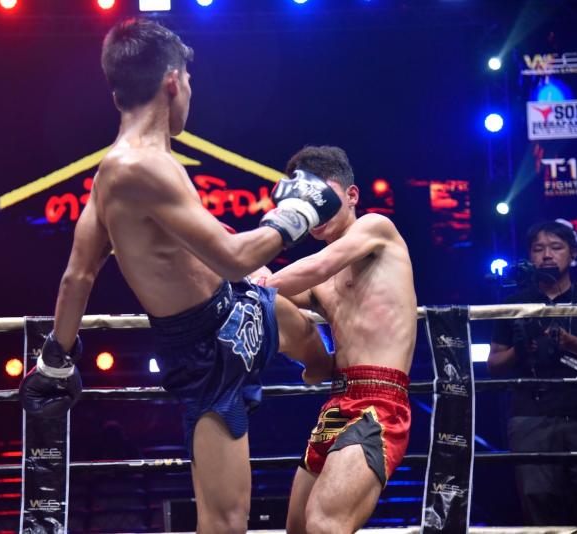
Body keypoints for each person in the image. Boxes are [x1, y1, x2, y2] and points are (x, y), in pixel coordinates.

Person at [19, 17, 341, 534]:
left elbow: (78, 276)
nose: (191, 90)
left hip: (235, 305)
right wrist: (297, 213)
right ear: (172, 81)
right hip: (205, 348)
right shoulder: (139, 168)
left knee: (306, 334)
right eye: (189, 79)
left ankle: (338, 381)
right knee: (226, 519)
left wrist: (57, 359)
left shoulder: (123, 169)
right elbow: (232, 256)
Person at [260, 145, 417, 534]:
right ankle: (314, 364)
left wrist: (260, 279)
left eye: (321, 196)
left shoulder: (377, 228)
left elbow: (317, 265)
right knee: (298, 528)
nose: (313, 208)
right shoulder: (320, 281)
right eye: (304, 199)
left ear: (351, 195)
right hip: (336, 401)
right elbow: (274, 293)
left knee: (325, 525)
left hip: (379, 402)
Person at [488, 218, 577, 526]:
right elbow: (493, 364)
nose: (547, 255)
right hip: (531, 416)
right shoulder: (513, 303)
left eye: (556, 247)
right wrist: (520, 350)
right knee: (539, 503)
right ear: (529, 255)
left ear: (572, 253)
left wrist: (570, 343)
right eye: (538, 248)